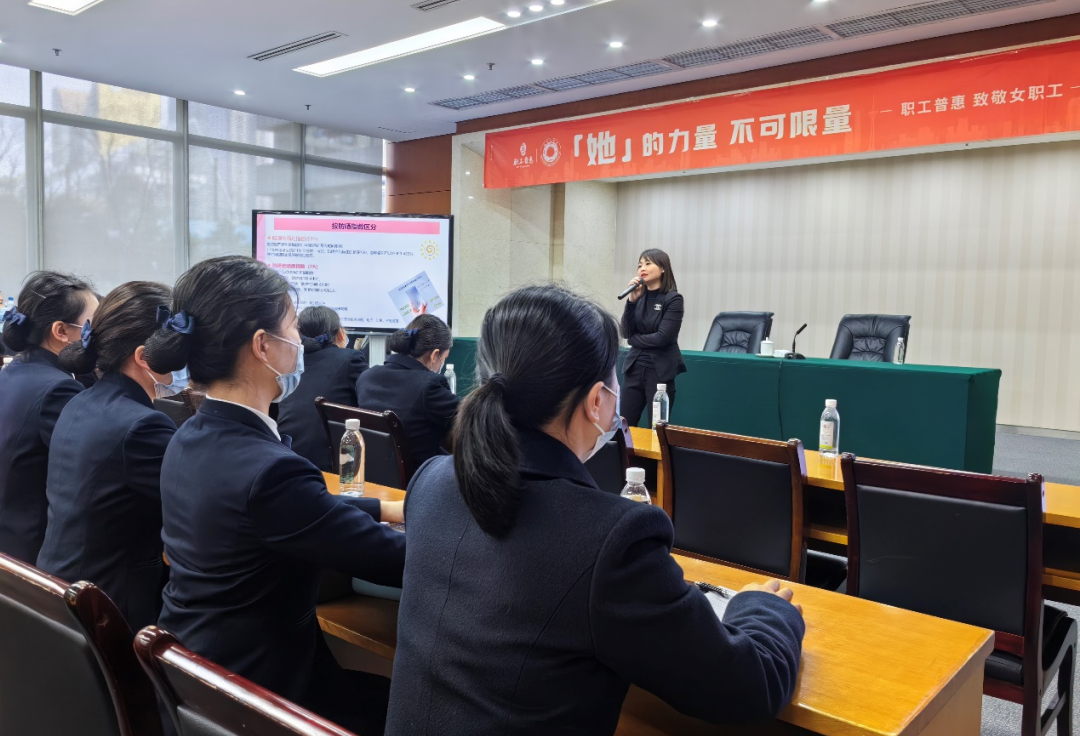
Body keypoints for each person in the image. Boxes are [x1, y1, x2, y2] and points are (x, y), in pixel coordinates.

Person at [385, 285, 805, 736]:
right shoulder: (611, 540)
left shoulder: (430, 482)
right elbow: (748, 686)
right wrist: (761, 608)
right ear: (597, 400)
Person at [144, 256, 405, 736]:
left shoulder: (191, 436)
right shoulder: (269, 470)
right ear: (263, 345)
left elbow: (293, 513)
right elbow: (392, 560)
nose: (300, 341)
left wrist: (384, 506)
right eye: (293, 326)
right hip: (259, 694)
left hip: (198, 676)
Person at [37, 281, 177, 631]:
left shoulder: (81, 401)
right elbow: (194, 505)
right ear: (144, 357)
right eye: (178, 348)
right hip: (110, 608)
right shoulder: (142, 425)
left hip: (62, 587)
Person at [0, 271, 98, 563]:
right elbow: (83, 472)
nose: (99, 336)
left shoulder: (14, 371)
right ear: (61, 331)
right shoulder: (58, 388)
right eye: (93, 326)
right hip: (32, 548)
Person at [354, 314, 458, 467]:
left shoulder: (366, 377)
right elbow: (468, 416)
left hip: (369, 473)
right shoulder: (429, 386)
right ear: (435, 355)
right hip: (417, 477)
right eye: (444, 357)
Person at [277, 306, 368, 471]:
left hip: (286, 454)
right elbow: (370, 404)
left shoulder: (289, 363)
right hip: (335, 462)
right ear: (340, 333)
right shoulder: (350, 359)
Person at [620, 249, 686, 427]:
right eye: (640, 265)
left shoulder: (673, 299)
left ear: (663, 268)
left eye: (648, 263)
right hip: (634, 368)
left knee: (656, 428)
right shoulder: (638, 297)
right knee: (624, 425)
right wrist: (632, 302)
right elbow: (625, 332)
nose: (642, 268)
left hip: (659, 372)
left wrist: (634, 340)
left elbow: (663, 338)